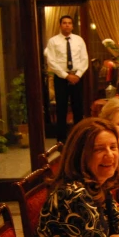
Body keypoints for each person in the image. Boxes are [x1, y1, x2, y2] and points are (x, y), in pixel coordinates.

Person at [43, 15, 88, 143]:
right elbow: (51, 61)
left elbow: (84, 59)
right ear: (60, 25)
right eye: (64, 23)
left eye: (69, 23)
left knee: (78, 108)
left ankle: (80, 137)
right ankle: (61, 139)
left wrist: (78, 75)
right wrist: (66, 75)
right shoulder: (53, 41)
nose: (67, 25)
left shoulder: (79, 40)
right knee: (61, 108)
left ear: (73, 26)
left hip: (77, 77)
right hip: (61, 78)